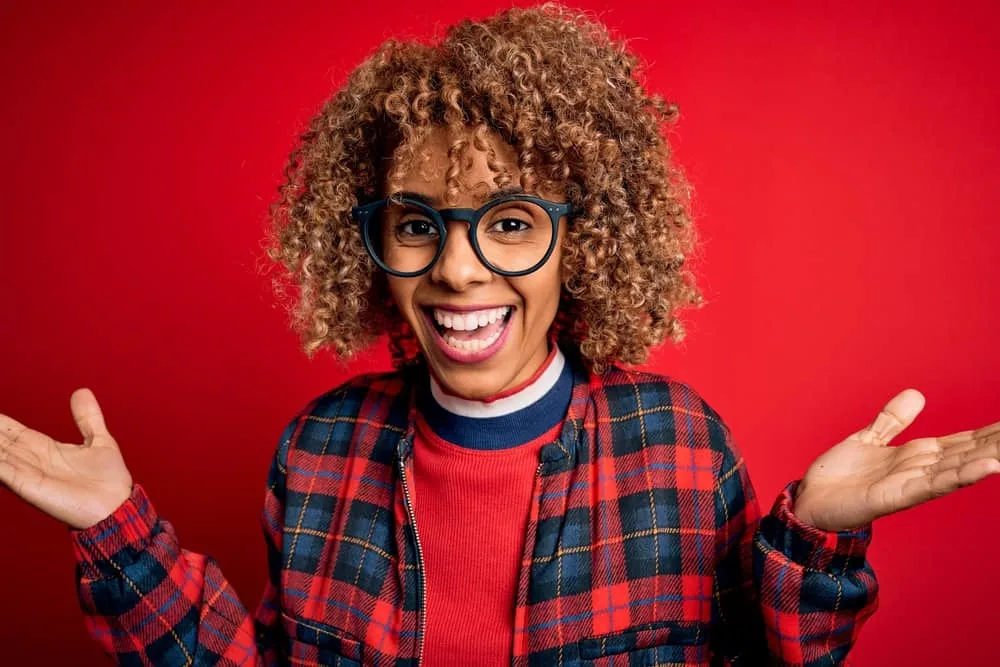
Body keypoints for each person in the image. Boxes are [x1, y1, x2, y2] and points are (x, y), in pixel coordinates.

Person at [1, 3, 997, 666]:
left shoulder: (681, 445)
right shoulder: (318, 451)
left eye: (510, 222)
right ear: (373, 240)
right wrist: (116, 533)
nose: (459, 267)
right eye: (418, 221)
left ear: (583, 237)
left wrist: (814, 536)